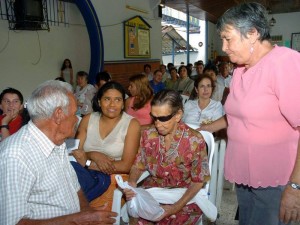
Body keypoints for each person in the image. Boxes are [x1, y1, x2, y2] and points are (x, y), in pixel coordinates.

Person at [201, 3, 300, 225]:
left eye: (228, 39)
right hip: (246, 175)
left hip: (276, 179)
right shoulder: (241, 69)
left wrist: (295, 187)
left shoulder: (284, 63)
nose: (224, 47)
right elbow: (236, 116)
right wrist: (204, 129)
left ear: (252, 34)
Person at [0, 80, 116, 225]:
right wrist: (75, 220)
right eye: (74, 114)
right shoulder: (15, 156)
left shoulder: (58, 141)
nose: (77, 119)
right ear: (58, 115)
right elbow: (11, 222)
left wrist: (87, 213)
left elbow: (75, 188)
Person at [123, 89, 210, 224]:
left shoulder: (194, 141)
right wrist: (132, 183)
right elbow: (138, 165)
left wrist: (175, 208)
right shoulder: (149, 135)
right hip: (153, 191)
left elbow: (198, 181)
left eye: (163, 118)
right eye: (154, 117)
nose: (157, 124)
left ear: (178, 115)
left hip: (184, 196)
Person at [72, 81, 141, 209]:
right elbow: (75, 151)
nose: (112, 105)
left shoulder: (131, 124)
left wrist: (88, 163)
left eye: (118, 100)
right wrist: (93, 154)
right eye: (107, 99)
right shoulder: (88, 119)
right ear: (99, 101)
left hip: (114, 178)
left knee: (88, 211)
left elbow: (126, 165)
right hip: (83, 174)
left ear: (123, 104)